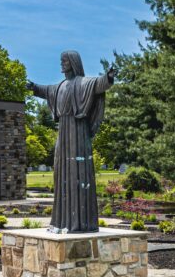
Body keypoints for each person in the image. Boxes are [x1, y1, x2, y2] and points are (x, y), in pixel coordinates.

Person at [28, 51, 115, 233]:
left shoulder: (83, 83)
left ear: (73, 63)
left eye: (65, 61)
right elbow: (46, 90)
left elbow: (98, 84)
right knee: (61, 173)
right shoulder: (59, 86)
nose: (62, 63)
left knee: (78, 173)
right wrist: (34, 87)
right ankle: (61, 222)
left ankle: (81, 222)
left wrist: (107, 77)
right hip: (63, 133)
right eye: (61, 60)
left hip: (78, 132)